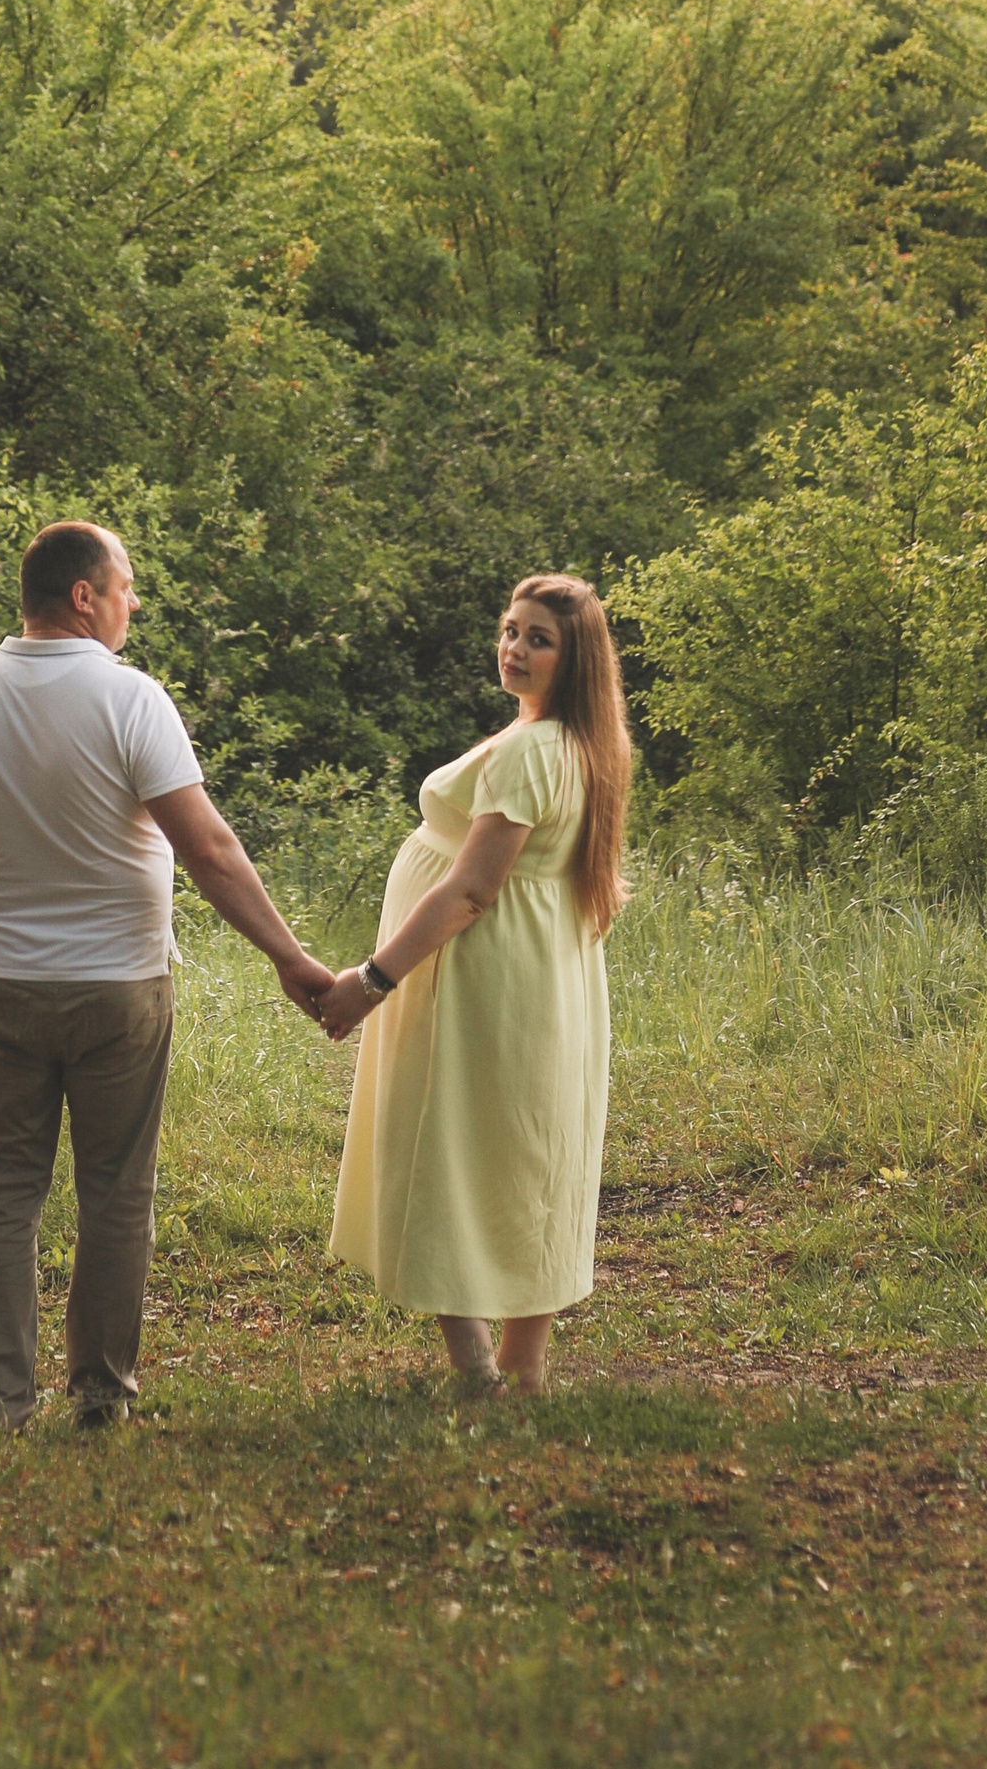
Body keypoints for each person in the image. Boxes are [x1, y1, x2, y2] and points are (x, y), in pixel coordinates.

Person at [0, 518, 332, 1431]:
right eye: (126, 587)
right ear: (83, 595)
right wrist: (289, 956)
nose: (135, 603)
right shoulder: (131, 699)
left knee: (4, 1192)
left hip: (4, 984)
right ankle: (100, 1394)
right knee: (115, 1193)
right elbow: (206, 847)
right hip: (121, 989)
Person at [319, 572, 631, 1394]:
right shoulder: (575, 741)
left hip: (477, 976)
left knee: (443, 1146)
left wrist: (373, 978)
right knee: (530, 1154)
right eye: (509, 630)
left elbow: (470, 889)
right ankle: (520, 1364)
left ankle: (480, 1368)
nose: (515, 648)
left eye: (538, 638)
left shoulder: (534, 750)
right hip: (539, 971)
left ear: (576, 659)